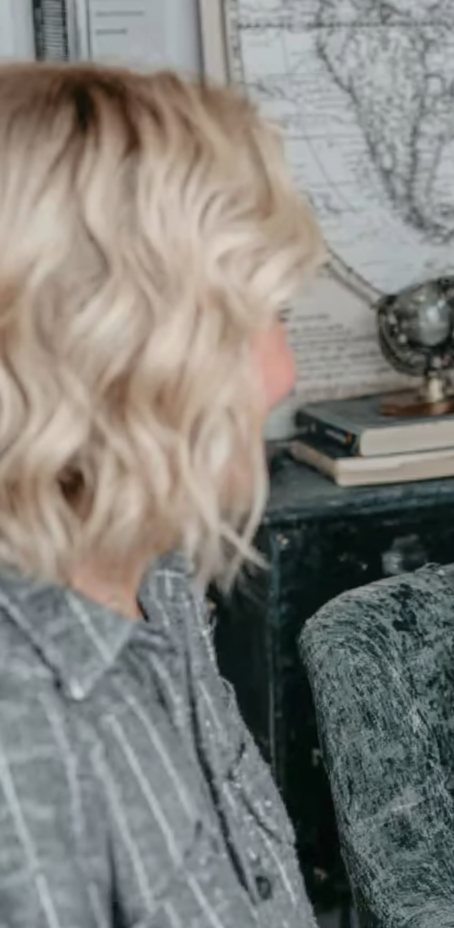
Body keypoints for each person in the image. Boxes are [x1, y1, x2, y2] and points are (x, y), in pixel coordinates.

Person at [0, 62, 324, 928]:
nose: (282, 373)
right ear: (122, 349)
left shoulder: (158, 582)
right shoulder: (18, 735)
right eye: (257, 317)